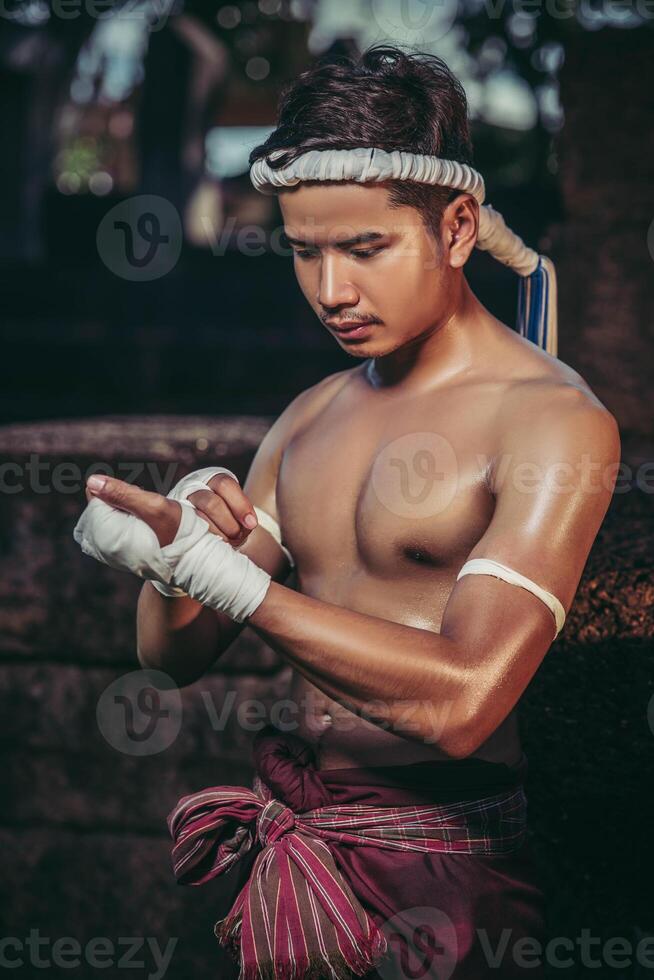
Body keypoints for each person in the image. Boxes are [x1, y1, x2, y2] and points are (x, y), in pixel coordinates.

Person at [73, 45, 620, 979]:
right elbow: (170, 660)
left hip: (447, 874)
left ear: (456, 228)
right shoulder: (312, 415)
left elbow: (462, 701)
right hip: (300, 843)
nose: (332, 291)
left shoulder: (552, 420)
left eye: (366, 249)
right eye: (305, 252)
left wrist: (230, 579)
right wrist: (177, 554)